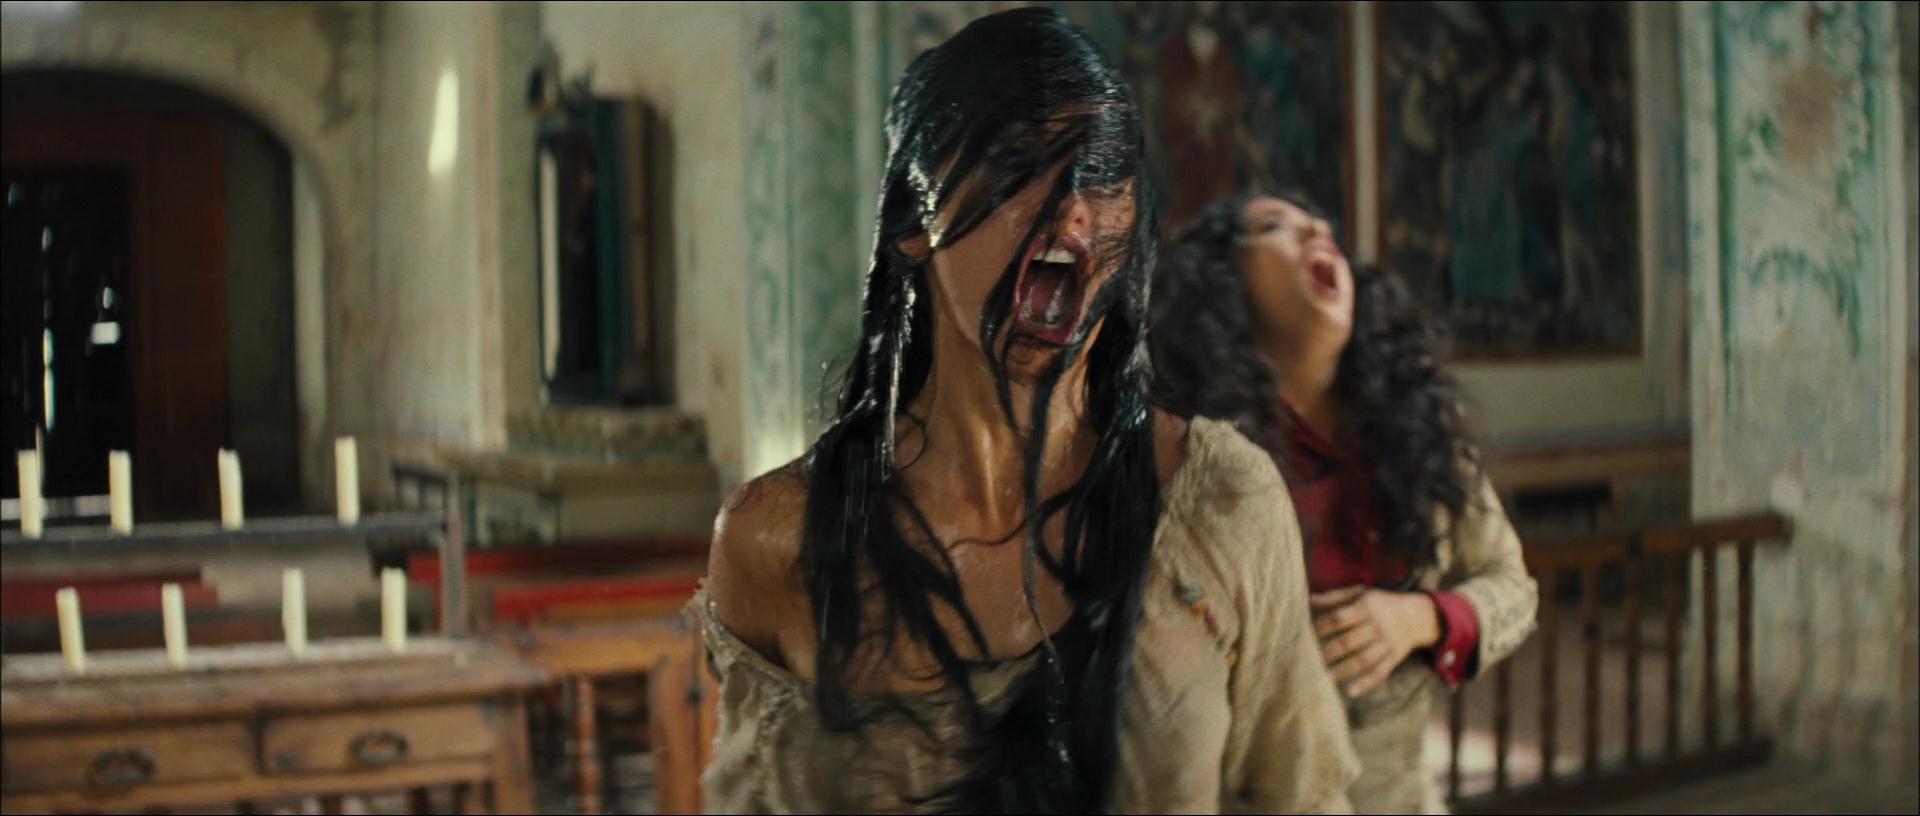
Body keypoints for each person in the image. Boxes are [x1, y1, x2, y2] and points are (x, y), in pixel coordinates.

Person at [694, 10, 1357, 814]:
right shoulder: (780, 540)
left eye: (1102, 171)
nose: (1073, 207)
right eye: (1018, 162)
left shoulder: (1221, 501)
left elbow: (1304, 796)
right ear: (915, 224)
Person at [1150, 194, 1538, 813]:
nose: (1319, 236)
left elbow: (1513, 587)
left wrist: (1421, 618)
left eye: (1325, 230)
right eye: (1277, 227)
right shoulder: (1192, 455)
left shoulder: (1416, 428)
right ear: (1221, 280)